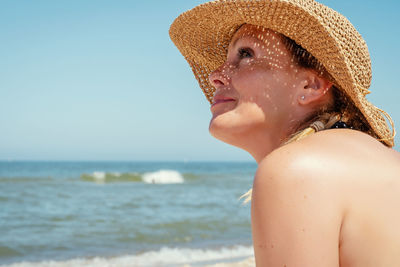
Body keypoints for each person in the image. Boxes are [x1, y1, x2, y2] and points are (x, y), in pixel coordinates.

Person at [170, 0, 400, 266]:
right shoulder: (385, 162)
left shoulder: (296, 170)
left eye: (246, 54)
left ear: (311, 85)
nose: (216, 76)